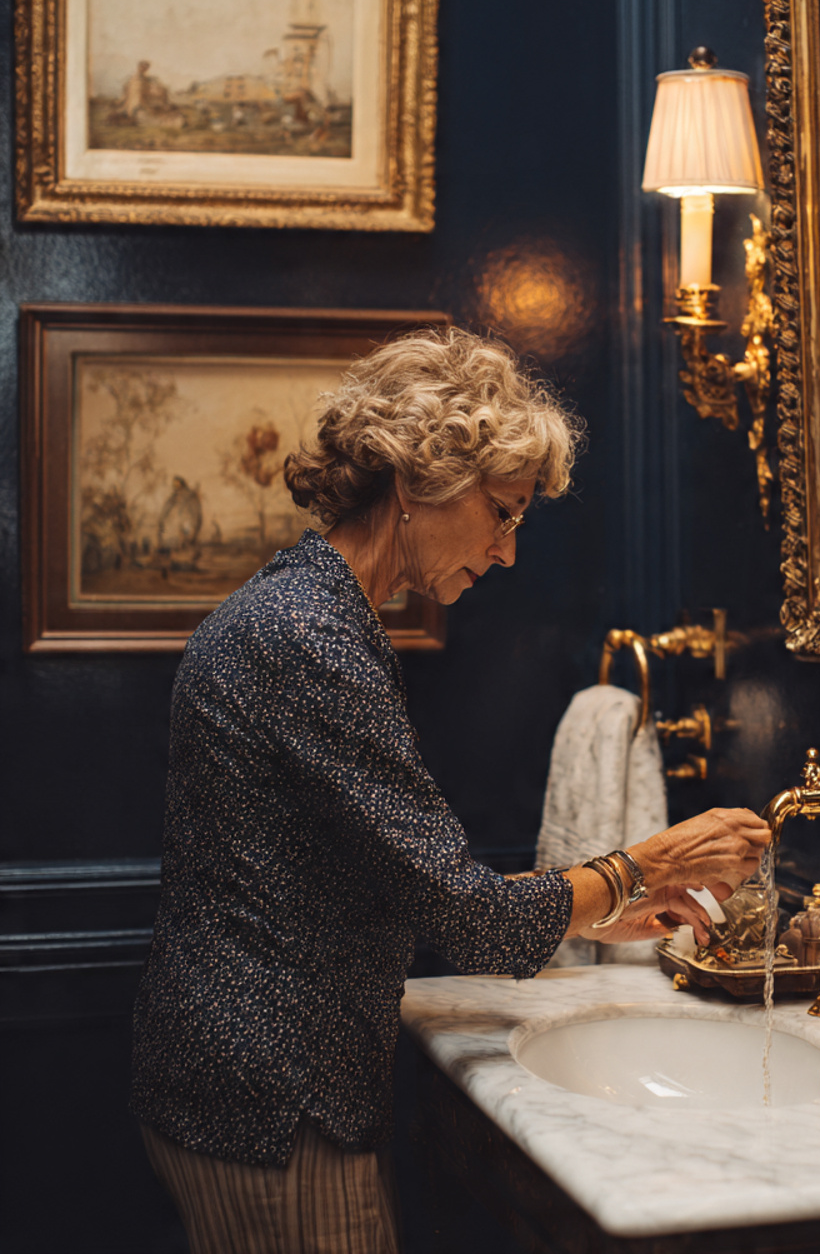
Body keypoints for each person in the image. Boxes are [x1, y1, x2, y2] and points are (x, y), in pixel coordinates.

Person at [130, 328, 770, 1254]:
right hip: (274, 1100)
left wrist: (599, 910)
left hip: (244, 1073)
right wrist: (651, 859)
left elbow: (401, 887)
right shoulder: (312, 638)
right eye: (503, 512)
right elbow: (469, 920)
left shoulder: (310, 610)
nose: (508, 551)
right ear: (418, 475)